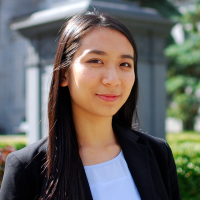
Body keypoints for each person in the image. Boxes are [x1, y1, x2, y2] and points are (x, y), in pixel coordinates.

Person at [0, 12, 181, 200]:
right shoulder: (27, 168)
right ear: (64, 75)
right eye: (96, 61)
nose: (113, 79)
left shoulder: (158, 153)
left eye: (125, 64)